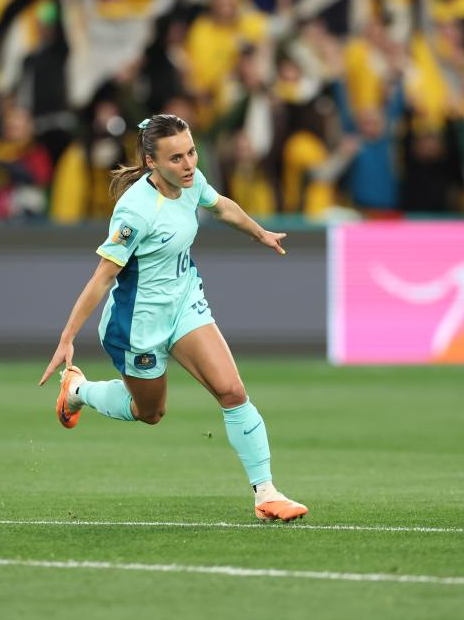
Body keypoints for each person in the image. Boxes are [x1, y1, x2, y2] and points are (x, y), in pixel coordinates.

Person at [38, 113, 308, 522]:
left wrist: (260, 233)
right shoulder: (135, 212)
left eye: (192, 153)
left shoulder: (191, 182)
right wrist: (66, 338)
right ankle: (78, 390)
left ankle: (266, 493)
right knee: (150, 413)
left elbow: (221, 206)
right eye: (176, 158)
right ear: (152, 162)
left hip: (184, 305)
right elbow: (102, 277)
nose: (189, 164)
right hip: (138, 326)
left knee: (232, 391)